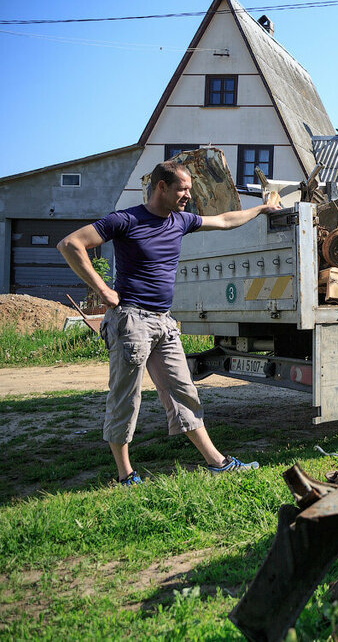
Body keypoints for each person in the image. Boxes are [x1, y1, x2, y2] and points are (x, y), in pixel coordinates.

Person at [57, 161, 282, 486]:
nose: (188, 195)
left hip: (164, 322)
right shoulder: (126, 220)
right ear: (161, 187)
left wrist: (262, 208)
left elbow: (224, 220)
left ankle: (218, 462)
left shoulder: (181, 221)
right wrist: (103, 289)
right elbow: (70, 244)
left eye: (189, 189)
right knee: (126, 397)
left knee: (184, 391)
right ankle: (126, 475)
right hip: (131, 321)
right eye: (183, 189)